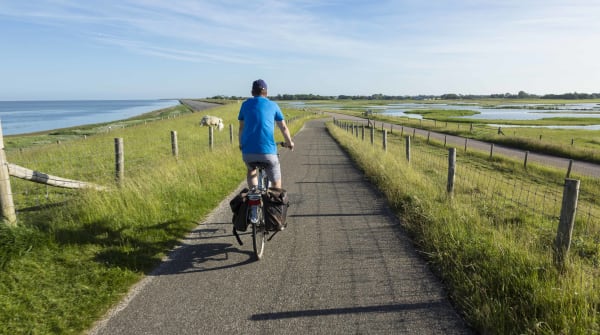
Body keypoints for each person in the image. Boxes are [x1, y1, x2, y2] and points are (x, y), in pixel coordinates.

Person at [238, 79, 294, 190]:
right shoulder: (273, 105)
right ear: (266, 92)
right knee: (276, 184)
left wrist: (241, 144)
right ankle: (273, 201)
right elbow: (283, 127)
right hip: (268, 153)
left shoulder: (245, 105)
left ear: (252, 92)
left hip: (248, 153)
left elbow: (241, 128)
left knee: (251, 170)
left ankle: (253, 194)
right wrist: (289, 143)